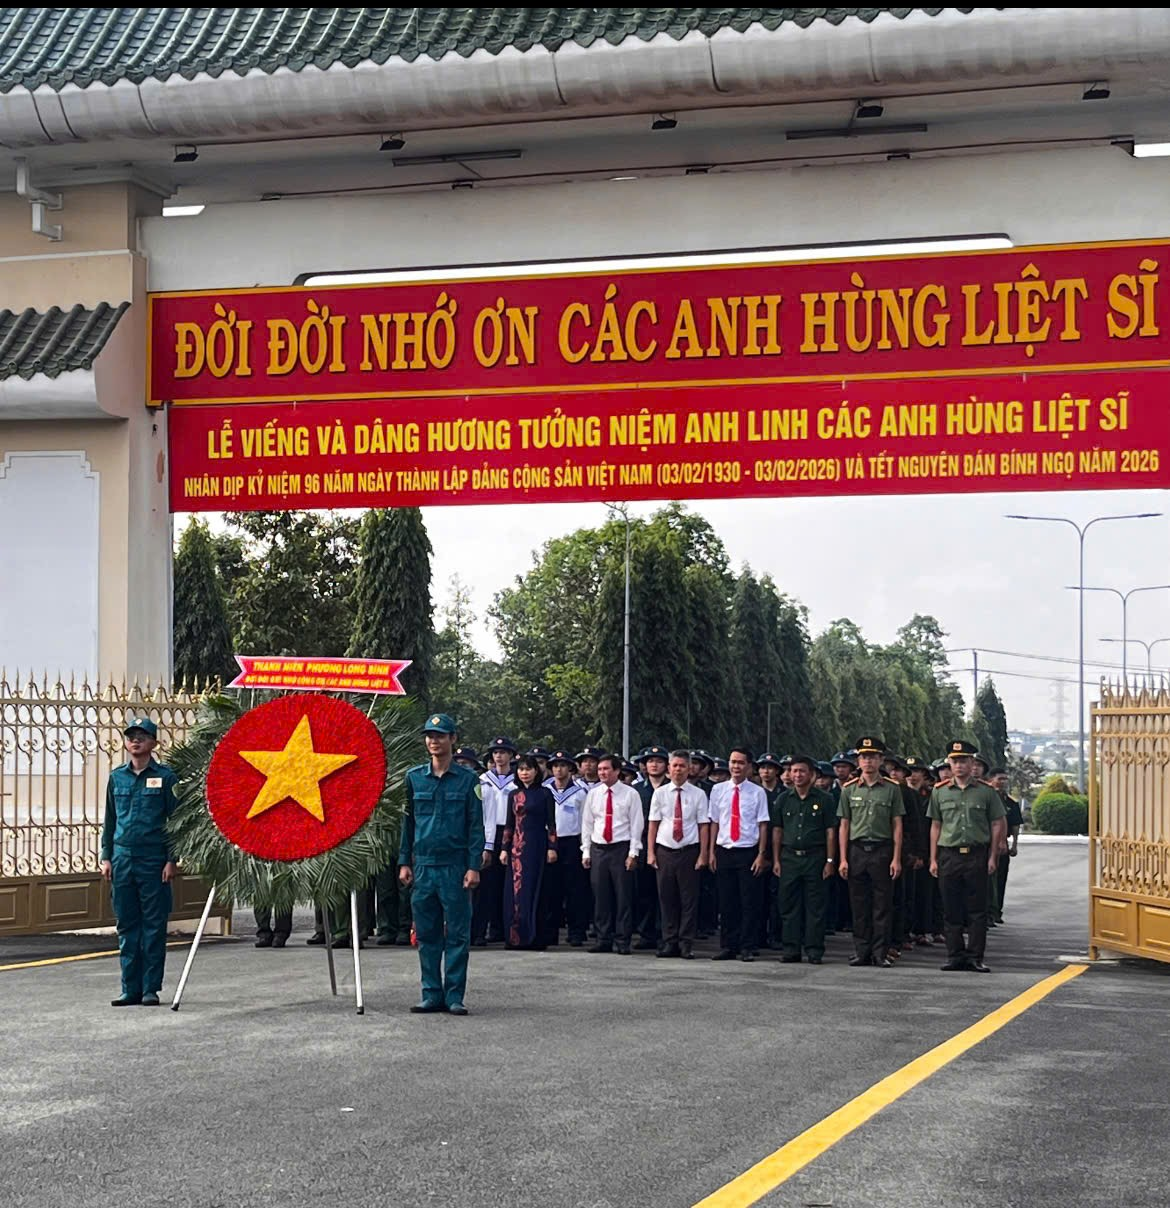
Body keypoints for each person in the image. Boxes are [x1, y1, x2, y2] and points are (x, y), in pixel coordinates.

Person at [399, 713, 483, 1015]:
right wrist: (404, 861)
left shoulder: (469, 780)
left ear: (453, 739)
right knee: (427, 934)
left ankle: (454, 996)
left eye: (440, 736)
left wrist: (474, 866)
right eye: (430, 736)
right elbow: (407, 824)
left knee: (458, 934)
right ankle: (431, 994)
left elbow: (476, 826)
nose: (434, 741)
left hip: (455, 866)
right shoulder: (414, 778)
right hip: (423, 866)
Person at [99, 716, 179, 1007]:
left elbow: (175, 822)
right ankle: (129, 988)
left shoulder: (166, 777)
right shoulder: (117, 777)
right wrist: (106, 856)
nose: (135, 741)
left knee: (153, 925)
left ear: (153, 743)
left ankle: (150, 988)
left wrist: (171, 859)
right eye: (131, 736)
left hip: (153, 859)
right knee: (127, 924)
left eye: (142, 736)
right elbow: (110, 819)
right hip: (122, 859)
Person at [929, 740, 1007, 973]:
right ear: (949, 763)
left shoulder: (986, 792)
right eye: (955, 761)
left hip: (976, 854)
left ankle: (975, 956)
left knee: (977, 910)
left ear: (972, 763)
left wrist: (993, 856)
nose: (959, 765)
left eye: (963, 761)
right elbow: (936, 825)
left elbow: (996, 823)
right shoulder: (940, 791)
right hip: (949, 855)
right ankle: (954, 955)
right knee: (951, 908)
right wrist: (933, 858)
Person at [836, 736, 904, 968]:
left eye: (873, 757)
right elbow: (844, 825)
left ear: (881, 760)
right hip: (857, 850)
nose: (868, 761)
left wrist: (896, 858)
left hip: (882, 850)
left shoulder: (892, 789)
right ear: (858, 760)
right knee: (859, 904)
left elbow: (897, 824)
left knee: (882, 904)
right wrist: (842, 858)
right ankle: (862, 951)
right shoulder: (849, 789)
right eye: (864, 757)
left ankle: (880, 953)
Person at [771, 755, 837, 964]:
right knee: (789, 905)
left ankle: (814, 950)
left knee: (815, 907)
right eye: (794, 771)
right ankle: (791, 949)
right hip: (790, 858)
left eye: (802, 771)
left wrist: (830, 860)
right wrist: (776, 860)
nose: (797, 775)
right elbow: (777, 831)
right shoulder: (783, 799)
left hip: (815, 858)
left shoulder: (825, 799)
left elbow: (830, 832)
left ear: (812, 774)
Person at [646, 749, 710, 958]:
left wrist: (703, 854)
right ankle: (669, 941)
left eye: (682, 766)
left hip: (689, 851)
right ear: (669, 768)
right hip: (665, 851)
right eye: (675, 765)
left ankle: (686, 943)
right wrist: (650, 852)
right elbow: (653, 824)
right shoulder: (660, 793)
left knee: (689, 900)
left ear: (689, 769)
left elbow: (703, 826)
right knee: (666, 898)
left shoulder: (698, 794)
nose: (678, 769)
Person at [708, 747, 770, 962]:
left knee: (749, 901)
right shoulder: (718, 790)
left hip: (748, 851)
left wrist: (761, 854)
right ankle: (728, 945)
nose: (736, 766)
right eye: (733, 762)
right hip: (724, 850)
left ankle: (747, 946)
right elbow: (714, 822)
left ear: (749, 767)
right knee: (727, 902)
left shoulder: (757, 792)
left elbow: (763, 825)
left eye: (741, 763)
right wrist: (711, 852)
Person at [581, 753, 643, 954]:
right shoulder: (594, 794)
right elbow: (587, 823)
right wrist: (586, 851)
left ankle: (623, 940)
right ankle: (603, 938)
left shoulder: (630, 794)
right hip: (599, 848)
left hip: (620, 848)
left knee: (623, 896)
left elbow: (636, 825)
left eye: (606, 769)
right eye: (600, 769)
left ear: (617, 771)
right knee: (601, 896)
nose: (602, 773)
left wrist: (633, 853)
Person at [499, 756, 558, 949]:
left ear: (536, 771)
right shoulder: (513, 794)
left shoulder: (545, 793)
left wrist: (552, 848)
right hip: (516, 849)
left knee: (535, 889)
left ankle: (536, 937)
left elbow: (551, 823)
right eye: (521, 769)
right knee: (516, 891)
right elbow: (509, 824)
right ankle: (515, 937)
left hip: (537, 846)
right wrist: (504, 849)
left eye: (528, 769)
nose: (524, 773)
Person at [472, 735, 516, 945]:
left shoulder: (517, 781)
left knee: (507, 884)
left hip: (511, 833)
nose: (499, 756)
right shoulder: (482, 781)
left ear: (511, 756)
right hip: (488, 833)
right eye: (496, 753)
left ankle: (503, 930)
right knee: (485, 885)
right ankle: (480, 931)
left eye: (503, 752)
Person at [547, 750, 590, 945]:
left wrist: (584, 846)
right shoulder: (545, 789)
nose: (559, 770)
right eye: (555, 766)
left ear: (571, 769)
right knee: (551, 889)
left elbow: (585, 821)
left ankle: (576, 931)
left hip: (572, 842)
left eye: (563, 766)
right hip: (550, 842)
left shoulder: (580, 792)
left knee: (575, 889)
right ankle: (551, 932)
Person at [633, 745, 670, 950]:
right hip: (642, 843)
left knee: (665, 893)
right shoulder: (637, 790)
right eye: (650, 761)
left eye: (659, 761)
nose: (654, 765)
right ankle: (646, 934)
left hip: (666, 844)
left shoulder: (672, 788)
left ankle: (666, 934)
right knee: (644, 891)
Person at [989, 767, 1023, 922]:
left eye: (1005, 779)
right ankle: (988, 912)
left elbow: (1015, 825)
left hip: (1003, 845)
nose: (1002, 782)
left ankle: (997, 911)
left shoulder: (1010, 802)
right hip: (987, 843)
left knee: (1001, 878)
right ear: (991, 779)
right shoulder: (987, 797)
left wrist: (1014, 845)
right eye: (999, 779)